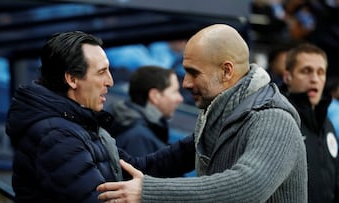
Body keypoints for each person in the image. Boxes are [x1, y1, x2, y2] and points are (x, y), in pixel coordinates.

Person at [97, 24, 307, 202]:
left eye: (194, 73)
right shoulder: (220, 116)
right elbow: (155, 165)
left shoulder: (273, 118)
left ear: (227, 71)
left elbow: (248, 187)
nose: (185, 83)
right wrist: (92, 138)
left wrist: (148, 192)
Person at [5, 31, 123, 202]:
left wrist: (177, 151)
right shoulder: (56, 135)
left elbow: (134, 167)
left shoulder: (76, 124)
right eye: (101, 72)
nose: (110, 81)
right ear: (72, 79)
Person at [281, 43, 339, 202]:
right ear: (287, 77)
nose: (314, 79)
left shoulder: (327, 124)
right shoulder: (278, 120)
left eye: (321, 72)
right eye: (306, 71)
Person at [108, 65, 183, 156]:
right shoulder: (139, 138)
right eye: (175, 91)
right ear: (155, 95)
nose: (180, 98)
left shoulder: (134, 126)